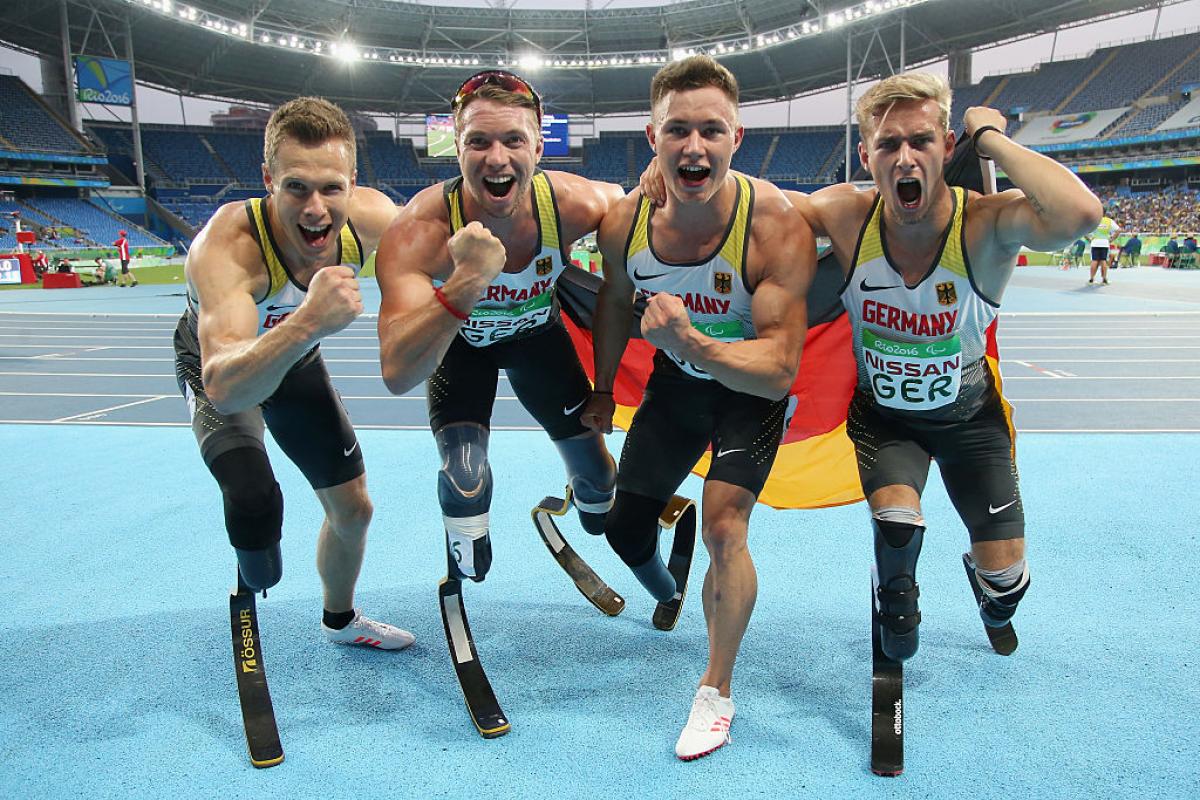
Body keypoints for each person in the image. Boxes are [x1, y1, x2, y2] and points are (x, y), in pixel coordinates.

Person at [782, 73, 1099, 669]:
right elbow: (751, 214)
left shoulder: (987, 224)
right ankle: (896, 594)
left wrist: (992, 139)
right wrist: (659, 180)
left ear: (947, 147)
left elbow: (1081, 213)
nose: (905, 157)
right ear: (866, 156)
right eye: (888, 144)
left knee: (1007, 584)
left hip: (969, 421)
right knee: (899, 532)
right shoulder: (845, 214)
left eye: (921, 141)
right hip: (885, 420)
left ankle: (991, 596)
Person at [588, 55, 817, 761]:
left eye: (711, 131)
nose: (695, 146)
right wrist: (602, 387)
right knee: (623, 531)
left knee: (725, 525)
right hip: (677, 389)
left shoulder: (773, 224)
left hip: (748, 392)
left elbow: (779, 370)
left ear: (737, 138)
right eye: (678, 130)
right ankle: (666, 578)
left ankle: (715, 690)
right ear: (652, 137)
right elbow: (614, 302)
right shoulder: (626, 221)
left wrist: (692, 339)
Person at [173, 96, 413, 650]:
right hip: (222, 364)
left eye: (332, 188)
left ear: (352, 183)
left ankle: (341, 620)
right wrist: (307, 322)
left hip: (296, 360)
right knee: (256, 506)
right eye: (297, 187)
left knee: (354, 510)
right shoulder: (230, 247)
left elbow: (455, 226)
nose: (316, 209)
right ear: (268, 181)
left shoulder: (372, 219)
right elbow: (227, 387)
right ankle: (251, 564)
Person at [375, 70, 625, 585]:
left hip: (540, 342)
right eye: (478, 141)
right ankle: (465, 548)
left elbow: (644, 221)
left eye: (513, 139)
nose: (496, 158)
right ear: (457, 149)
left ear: (538, 145)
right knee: (465, 478)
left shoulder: (581, 205)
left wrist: (657, 185)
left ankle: (590, 500)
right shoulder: (420, 229)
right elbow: (398, 372)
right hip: (461, 351)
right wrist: (467, 278)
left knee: (600, 487)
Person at [1088, 212, 1119, 285]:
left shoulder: (1095, 220)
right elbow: (1118, 230)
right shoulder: (1109, 221)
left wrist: (1089, 239)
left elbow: (1085, 231)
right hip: (1104, 243)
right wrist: (1112, 239)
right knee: (1103, 260)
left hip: (1095, 242)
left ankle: (1091, 279)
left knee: (1094, 260)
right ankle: (1104, 279)